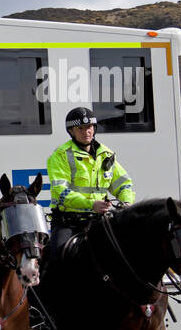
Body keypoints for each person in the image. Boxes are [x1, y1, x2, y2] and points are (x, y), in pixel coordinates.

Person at [46, 107, 136, 260]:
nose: (86, 131)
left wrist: (127, 202)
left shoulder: (106, 154)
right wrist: (92, 204)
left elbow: (123, 184)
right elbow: (61, 193)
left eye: (89, 127)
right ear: (71, 131)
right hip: (68, 222)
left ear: (94, 128)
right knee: (56, 256)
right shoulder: (60, 156)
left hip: (98, 220)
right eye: (80, 128)